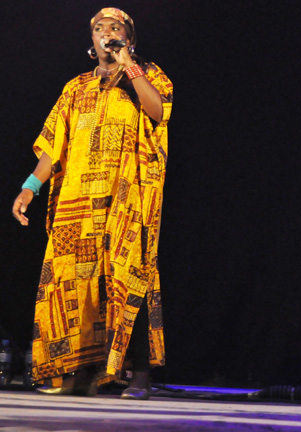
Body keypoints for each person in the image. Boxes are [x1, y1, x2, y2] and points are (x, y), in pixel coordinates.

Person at [11, 7, 173, 400]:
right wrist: (29, 187)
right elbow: (54, 146)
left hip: (126, 198)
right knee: (73, 284)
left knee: (128, 276)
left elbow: (158, 111)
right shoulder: (74, 87)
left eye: (114, 27)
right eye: (98, 28)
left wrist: (129, 65)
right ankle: (81, 372)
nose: (105, 32)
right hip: (76, 202)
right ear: (91, 41)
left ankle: (140, 376)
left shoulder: (148, 74)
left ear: (128, 38)